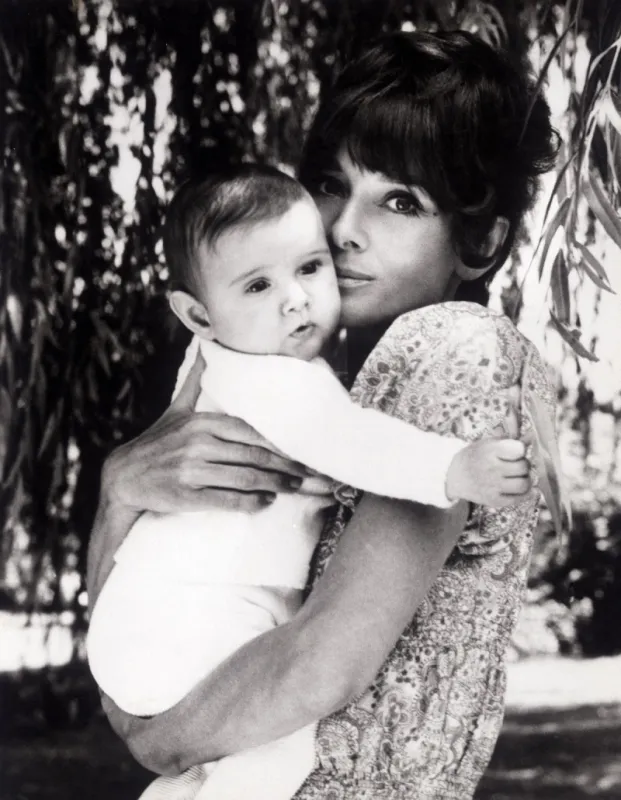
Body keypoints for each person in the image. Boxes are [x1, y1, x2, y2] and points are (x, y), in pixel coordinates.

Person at [87, 30, 559, 800]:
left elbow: (321, 661)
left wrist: (152, 736)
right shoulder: (289, 374)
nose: (342, 229)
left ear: (477, 241)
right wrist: (120, 491)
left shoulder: (452, 346)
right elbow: (151, 585)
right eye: (330, 185)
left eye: (400, 201)